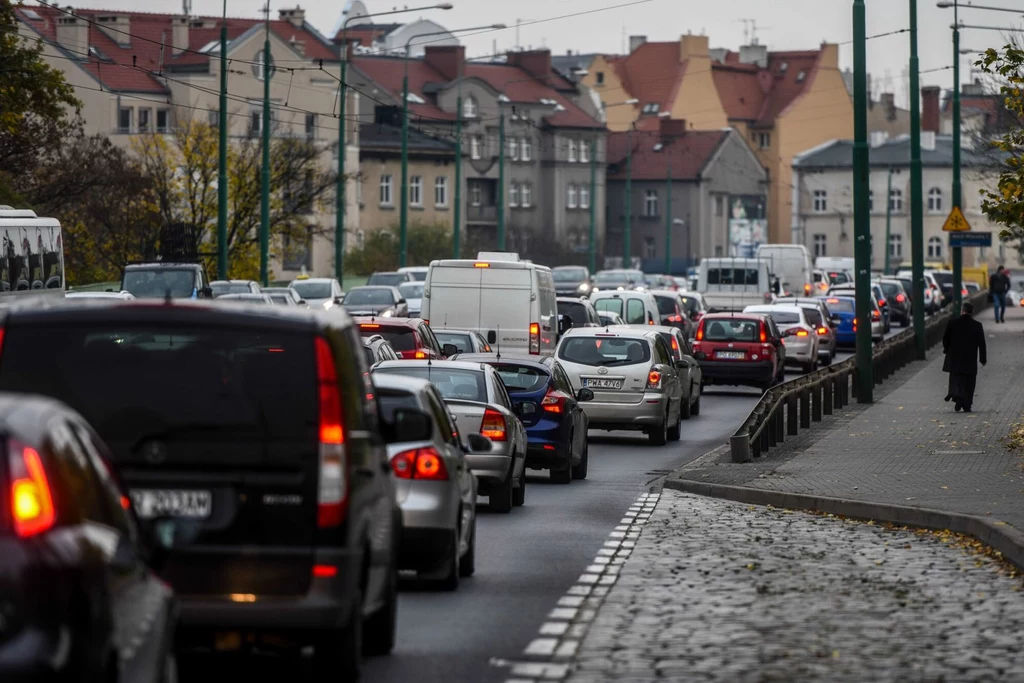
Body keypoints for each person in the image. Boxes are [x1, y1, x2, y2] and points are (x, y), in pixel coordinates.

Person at [942, 301, 986, 412]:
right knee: (970, 382)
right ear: (972, 312)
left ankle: (956, 395)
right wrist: (983, 358)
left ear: (962, 311)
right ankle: (967, 404)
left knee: (956, 378)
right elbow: (982, 343)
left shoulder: (952, 323)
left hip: (955, 357)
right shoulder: (977, 325)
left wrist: (946, 349)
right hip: (970, 358)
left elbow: (945, 338)